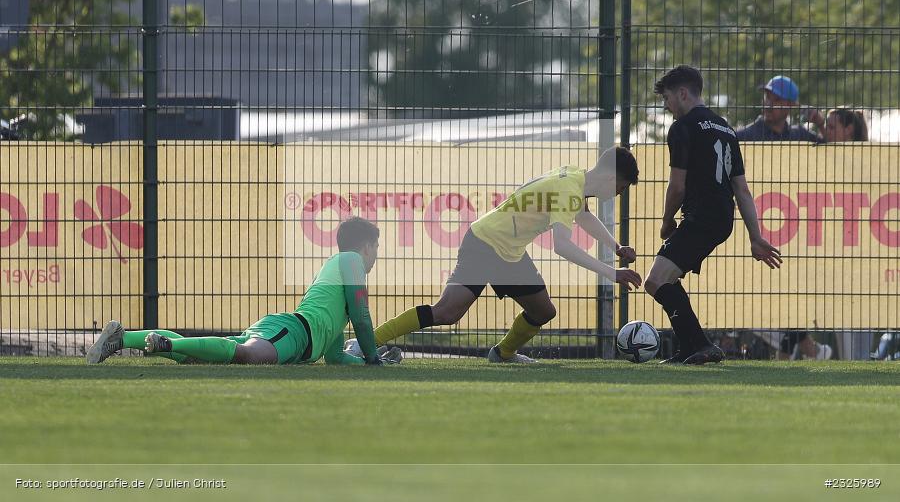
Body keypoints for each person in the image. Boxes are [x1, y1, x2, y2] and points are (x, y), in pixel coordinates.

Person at [349, 147, 643, 364]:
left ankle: (503, 354)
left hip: (509, 252)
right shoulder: (569, 188)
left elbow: (584, 215)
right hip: (484, 243)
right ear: (610, 177)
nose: (618, 193)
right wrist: (612, 272)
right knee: (447, 312)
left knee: (543, 311)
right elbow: (562, 246)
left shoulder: (575, 179)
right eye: (621, 187)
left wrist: (616, 246)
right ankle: (366, 343)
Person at [87, 217, 400, 366]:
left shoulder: (337, 275)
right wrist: (372, 355)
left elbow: (333, 357)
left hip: (288, 331)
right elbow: (362, 316)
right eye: (376, 248)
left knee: (205, 356)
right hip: (292, 332)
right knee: (246, 355)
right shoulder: (352, 260)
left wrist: (372, 362)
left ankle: (123, 338)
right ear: (366, 246)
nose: (376, 255)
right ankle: (161, 342)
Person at [645, 65, 782, 365]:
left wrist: (667, 222)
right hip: (722, 219)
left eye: (667, 98)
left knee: (655, 282)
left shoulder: (681, 128)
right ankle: (691, 347)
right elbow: (742, 191)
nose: (666, 106)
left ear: (682, 93)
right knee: (667, 279)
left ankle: (701, 345)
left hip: (700, 217)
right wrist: (755, 237)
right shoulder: (725, 128)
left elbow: (677, 186)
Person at [735, 76, 821, 142]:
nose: (768, 104)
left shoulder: (800, 135)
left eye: (777, 100)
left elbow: (830, 149)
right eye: (767, 97)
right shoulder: (743, 136)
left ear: (791, 105)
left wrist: (820, 124)